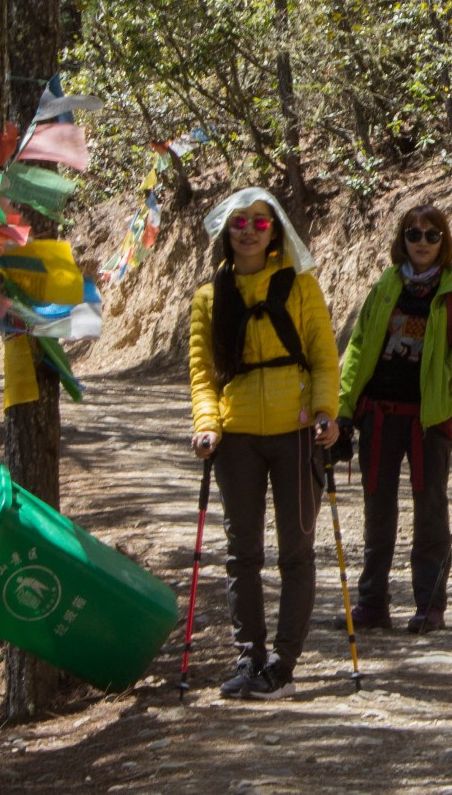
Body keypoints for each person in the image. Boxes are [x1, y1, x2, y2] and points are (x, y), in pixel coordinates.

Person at [187, 187, 340, 700]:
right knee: (242, 552)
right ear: (225, 232)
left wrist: (326, 414)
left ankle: (283, 662)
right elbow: (204, 376)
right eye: (239, 222)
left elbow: (323, 357)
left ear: (275, 229)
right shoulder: (209, 298)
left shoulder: (300, 286)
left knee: (295, 551)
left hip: (297, 434)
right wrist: (207, 425)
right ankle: (247, 657)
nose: (249, 230)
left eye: (259, 221)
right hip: (236, 439)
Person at [337, 204, 452, 633]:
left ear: (444, 241)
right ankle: (372, 603)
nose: (421, 242)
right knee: (377, 509)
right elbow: (359, 348)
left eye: (431, 235)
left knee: (431, 511)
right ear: (402, 239)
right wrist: (343, 409)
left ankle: (429, 606)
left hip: (431, 417)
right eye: (413, 234)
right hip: (378, 413)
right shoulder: (385, 285)